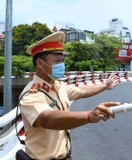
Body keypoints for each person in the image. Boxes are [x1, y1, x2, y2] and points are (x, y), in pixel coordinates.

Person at [18, 31, 121, 160]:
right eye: (57, 60)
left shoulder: (59, 86)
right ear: (40, 63)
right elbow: (48, 119)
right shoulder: (31, 95)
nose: (62, 64)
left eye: (62, 60)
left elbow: (82, 91)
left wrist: (105, 86)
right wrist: (89, 116)